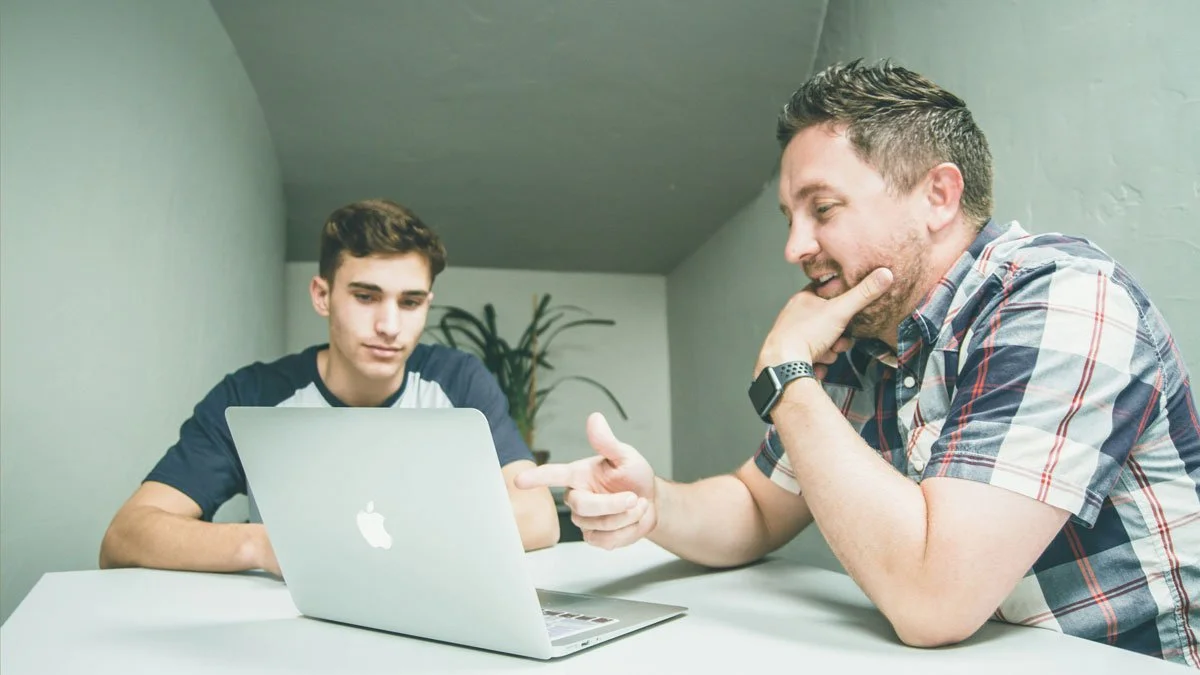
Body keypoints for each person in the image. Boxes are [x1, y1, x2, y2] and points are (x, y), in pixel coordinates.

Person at [517, 59, 1199, 666]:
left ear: (938, 195)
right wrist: (653, 502)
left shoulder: (1062, 299)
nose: (795, 246)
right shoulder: (870, 334)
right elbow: (758, 505)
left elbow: (935, 600)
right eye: (790, 215)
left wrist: (787, 373)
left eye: (823, 209)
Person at [101, 198, 560, 577]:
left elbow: (539, 518)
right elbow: (127, 535)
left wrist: (383, 538)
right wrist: (265, 546)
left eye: (410, 302)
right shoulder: (253, 395)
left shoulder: (458, 380)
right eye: (365, 297)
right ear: (322, 295)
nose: (389, 325)